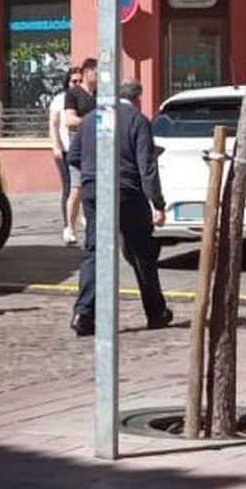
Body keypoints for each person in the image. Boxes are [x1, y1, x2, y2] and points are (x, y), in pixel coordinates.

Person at [66, 79, 172, 336]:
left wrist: (93, 173)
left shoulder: (91, 119)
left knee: (95, 251)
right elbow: (146, 165)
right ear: (137, 99)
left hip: (94, 190)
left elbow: (74, 156)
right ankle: (155, 312)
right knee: (141, 254)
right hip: (126, 192)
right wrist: (157, 202)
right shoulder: (137, 120)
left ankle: (83, 314)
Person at [63, 58, 99, 248]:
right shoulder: (73, 93)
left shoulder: (101, 94)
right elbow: (69, 120)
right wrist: (92, 121)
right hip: (79, 149)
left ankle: (93, 223)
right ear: (87, 72)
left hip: (99, 148)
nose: (99, 75)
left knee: (97, 187)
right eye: (96, 71)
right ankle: (69, 226)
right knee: (76, 188)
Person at [49, 66, 83, 246]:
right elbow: (53, 125)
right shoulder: (59, 100)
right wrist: (56, 147)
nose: (76, 84)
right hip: (65, 149)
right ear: (67, 82)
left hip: (83, 149)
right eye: (73, 81)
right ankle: (68, 226)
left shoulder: (85, 98)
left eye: (79, 80)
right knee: (70, 187)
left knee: (84, 186)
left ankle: (83, 218)